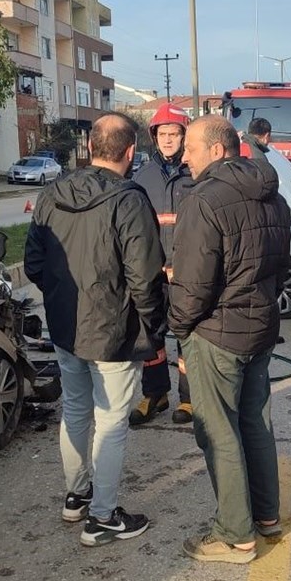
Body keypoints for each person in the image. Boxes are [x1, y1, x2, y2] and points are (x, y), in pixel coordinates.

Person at [23, 113, 165, 546]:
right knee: (110, 423)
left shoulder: (52, 194)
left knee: (77, 412)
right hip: (113, 329)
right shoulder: (130, 199)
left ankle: (77, 495)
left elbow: (33, 264)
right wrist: (154, 326)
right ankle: (102, 516)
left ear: (89, 149)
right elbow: (144, 276)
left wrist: (63, 298)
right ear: (130, 153)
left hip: (67, 326)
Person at [170, 115, 291, 564]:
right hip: (260, 326)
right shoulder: (272, 195)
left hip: (217, 333)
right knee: (255, 425)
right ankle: (265, 516)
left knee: (218, 431)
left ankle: (234, 535)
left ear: (218, 150)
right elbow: (276, 268)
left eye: (191, 148)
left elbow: (193, 284)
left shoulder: (204, 200)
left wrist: (180, 332)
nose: (185, 157)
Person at [129, 102, 195, 425]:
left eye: (174, 133)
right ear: (154, 137)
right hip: (152, 273)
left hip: (187, 273)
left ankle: (189, 398)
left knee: (187, 335)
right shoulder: (143, 175)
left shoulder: (195, 173)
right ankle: (155, 393)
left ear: (184, 136)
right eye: (163, 134)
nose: (168, 140)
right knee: (150, 337)